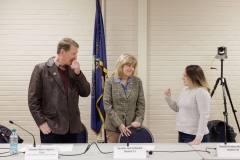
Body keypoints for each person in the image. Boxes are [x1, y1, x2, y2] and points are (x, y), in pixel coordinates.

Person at [28, 38, 90, 143]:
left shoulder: (74, 70)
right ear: (62, 52)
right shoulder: (41, 69)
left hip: (72, 128)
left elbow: (86, 92)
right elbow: (33, 100)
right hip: (51, 127)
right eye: (73, 53)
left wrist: (78, 74)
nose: (75, 57)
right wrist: (41, 123)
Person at [103, 53, 145, 143]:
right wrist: (120, 124)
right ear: (121, 65)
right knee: (114, 155)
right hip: (113, 128)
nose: (132, 69)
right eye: (129, 65)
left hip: (132, 127)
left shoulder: (137, 82)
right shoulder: (109, 81)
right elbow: (107, 105)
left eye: (133, 66)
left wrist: (138, 120)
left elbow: (141, 105)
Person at [164, 65, 210, 145]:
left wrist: (198, 138)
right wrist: (168, 98)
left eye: (185, 75)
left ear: (193, 77)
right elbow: (177, 108)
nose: (182, 78)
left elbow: (204, 115)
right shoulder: (185, 89)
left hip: (194, 136)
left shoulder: (201, 92)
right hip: (182, 133)